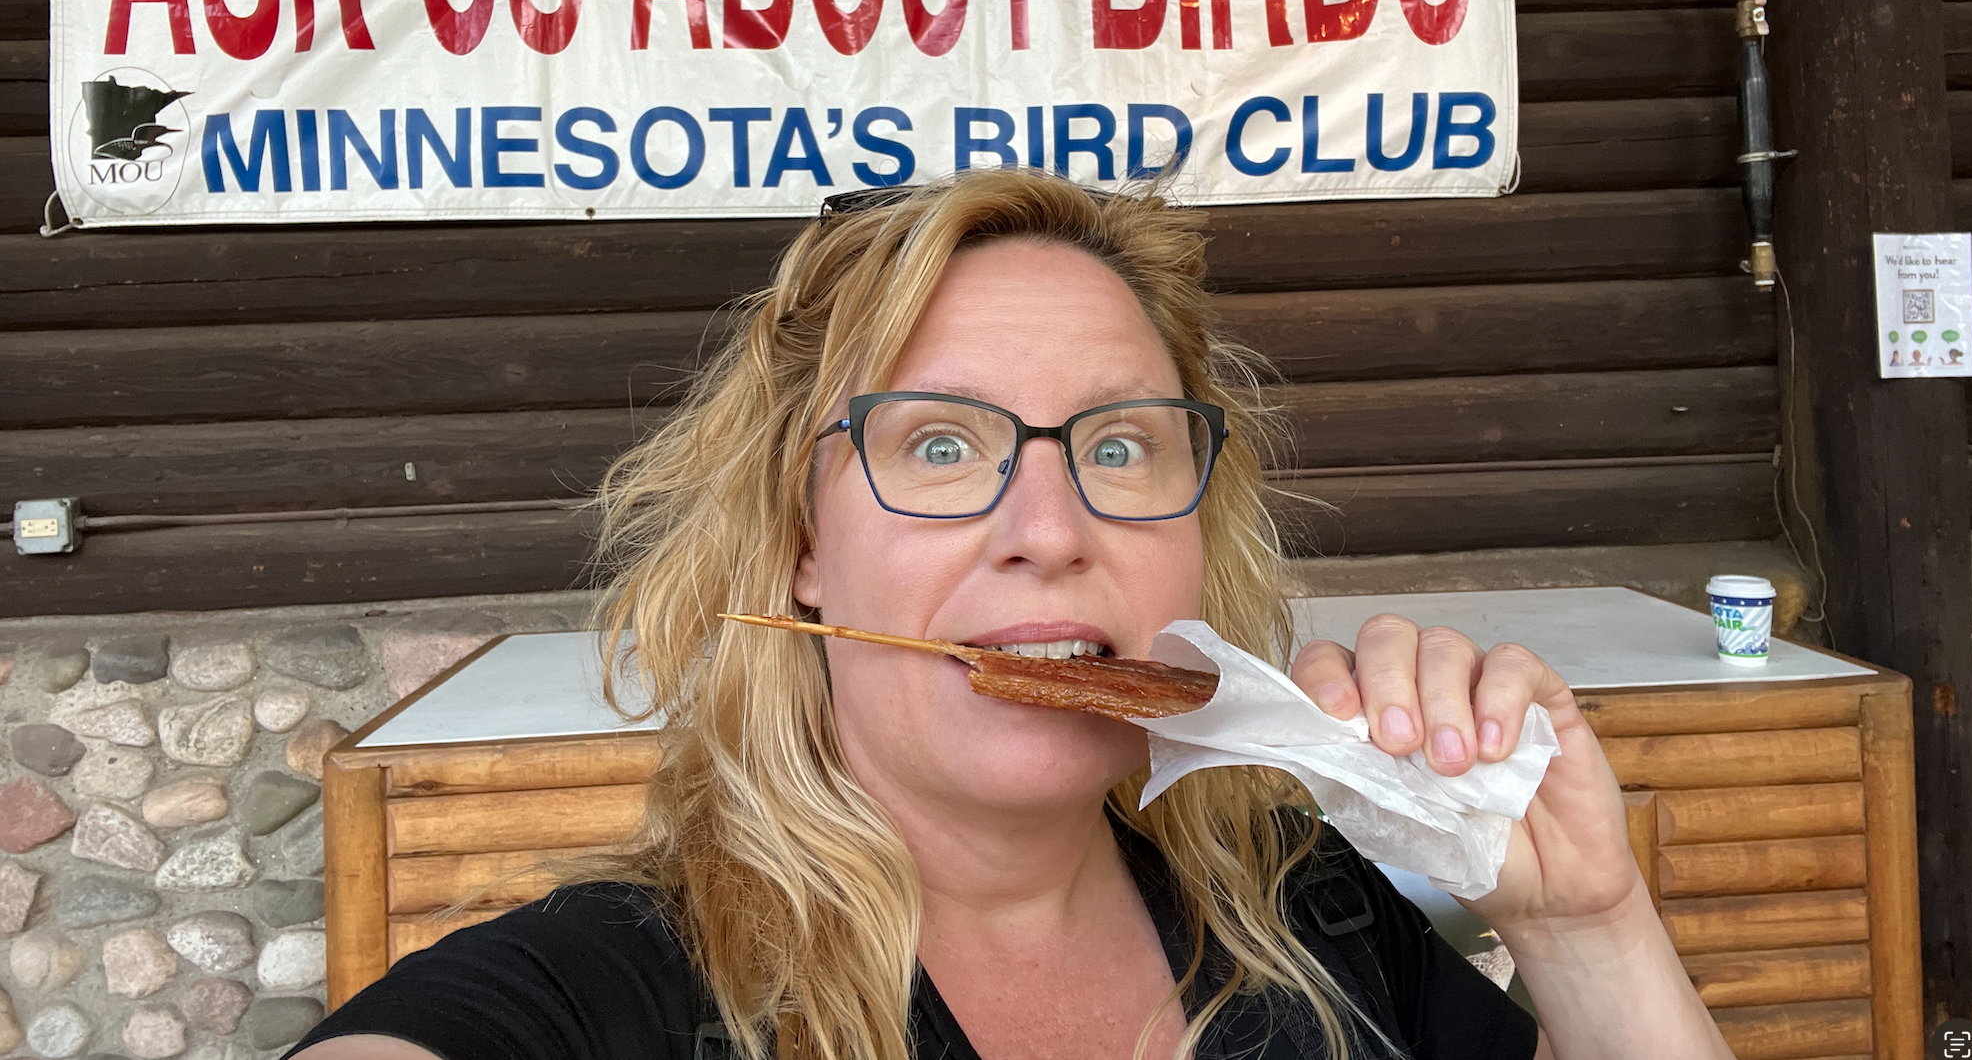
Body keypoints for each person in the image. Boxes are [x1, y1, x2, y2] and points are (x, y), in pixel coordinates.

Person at [289, 173, 1731, 1060]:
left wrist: (1586, 924)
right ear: (802, 544)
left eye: (1118, 447)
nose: (1052, 530)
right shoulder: (617, 989)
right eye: (939, 444)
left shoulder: (1314, 912)